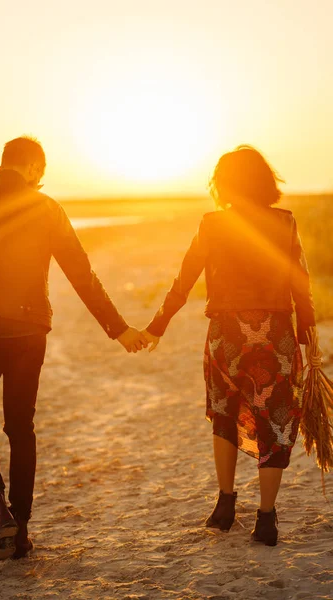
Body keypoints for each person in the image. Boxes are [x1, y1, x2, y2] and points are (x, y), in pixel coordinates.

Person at [0, 136, 147, 561]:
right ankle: (22, 528)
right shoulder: (46, 207)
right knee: (20, 427)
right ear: (33, 167)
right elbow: (80, 273)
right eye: (41, 175)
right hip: (29, 331)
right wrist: (118, 328)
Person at [141, 145, 316, 546]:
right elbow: (300, 281)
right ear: (265, 182)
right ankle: (267, 518)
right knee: (275, 422)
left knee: (225, 412)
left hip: (226, 335)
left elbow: (183, 281)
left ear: (223, 184)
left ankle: (225, 504)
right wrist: (305, 331)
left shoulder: (212, 224)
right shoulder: (284, 222)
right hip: (276, 334)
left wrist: (156, 327)